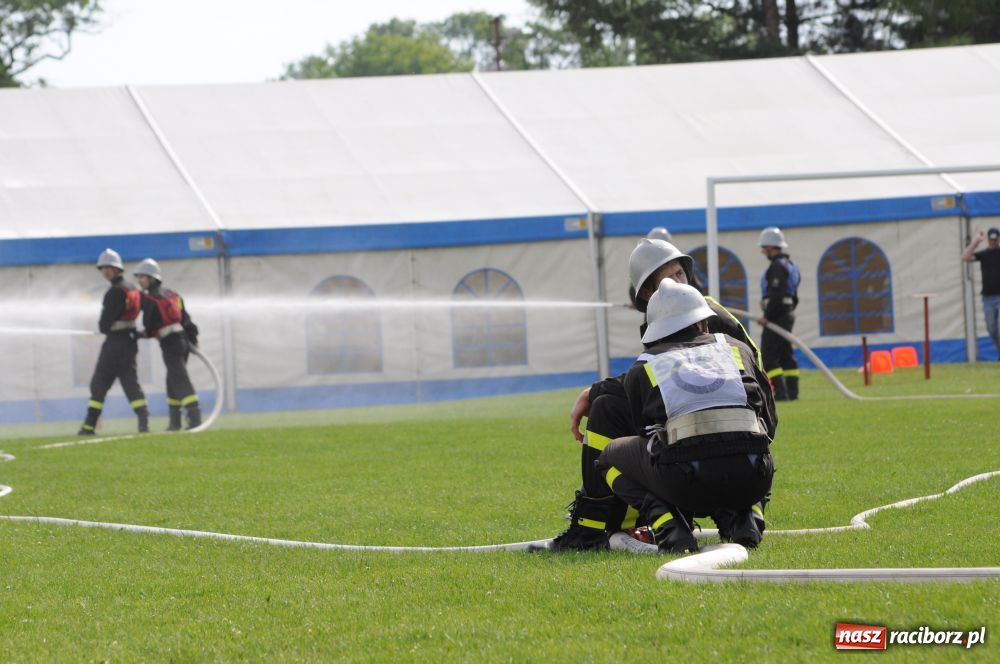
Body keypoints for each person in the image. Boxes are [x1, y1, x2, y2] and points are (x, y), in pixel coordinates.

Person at [550, 238, 763, 551]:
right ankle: (592, 527)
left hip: (730, 438)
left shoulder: (703, 312)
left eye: (680, 273)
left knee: (617, 437)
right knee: (608, 406)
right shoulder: (666, 315)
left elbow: (744, 385)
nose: (678, 283)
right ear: (646, 292)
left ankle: (716, 514)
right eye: (669, 277)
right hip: (750, 462)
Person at [595, 280, 777, 553]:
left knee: (608, 458)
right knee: (759, 438)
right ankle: (749, 516)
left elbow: (647, 436)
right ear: (702, 323)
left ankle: (670, 527)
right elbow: (770, 421)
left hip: (685, 486)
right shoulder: (738, 349)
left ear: (656, 331)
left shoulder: (644, 366)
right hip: (754, 478)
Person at [78, 249, 149, 435]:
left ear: (117, 269)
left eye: (108, 268)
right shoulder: (133, 289)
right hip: (130, 342)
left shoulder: (115, 292)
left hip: (115, 343)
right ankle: (144, 422)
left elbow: (104, 325)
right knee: (130, 382)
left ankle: (88, 426)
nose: (105, 272)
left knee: (99, 383)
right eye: (102, 268)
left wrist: (105, 327)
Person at [134, 258, 202, 431]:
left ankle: (195, 419)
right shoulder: (173, 294)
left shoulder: (149, 298)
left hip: (169, 342)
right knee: (172, 379)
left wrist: (139, 334)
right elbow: (185, 318)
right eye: (138, 277)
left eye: (142, 277)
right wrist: (193, 340)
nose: (139, 280)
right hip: (182, 339)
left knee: (179, 378)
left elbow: (150, 326)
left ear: (152, 278)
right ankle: (175, 422)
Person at [757, 227, 801, 401]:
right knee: (785, 354)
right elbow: (793, 294)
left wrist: (767, 316)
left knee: (769, 356)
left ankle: (781, 394)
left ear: (770, 247)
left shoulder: (777, 267)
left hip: (777, 315)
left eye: (764, 248)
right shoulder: (790, 265)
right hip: (787, 314)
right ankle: (792, 393)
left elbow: (776, 294)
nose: (762, 251)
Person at [962, 228, 1000, 360]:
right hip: (988, 298)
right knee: (991, 328)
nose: (993, 242)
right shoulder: (984, 254)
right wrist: (977, 241)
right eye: (991, 240)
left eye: (996, 240)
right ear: (988, 240)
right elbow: (965, 257)